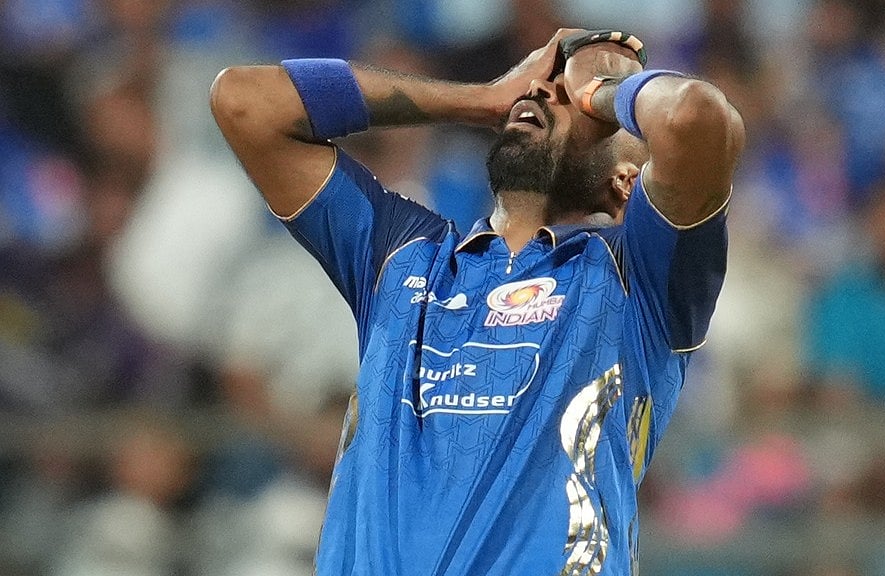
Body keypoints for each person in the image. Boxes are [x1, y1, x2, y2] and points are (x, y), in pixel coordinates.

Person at [210, 27, 743, 575]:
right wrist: (480, 99)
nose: (544, 92)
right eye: (545, 84)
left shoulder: (640, 281)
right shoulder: (401, 254)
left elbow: (697, 119)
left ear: (625, 181)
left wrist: (603, 91)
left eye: (574, 97)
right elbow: (245, 102)